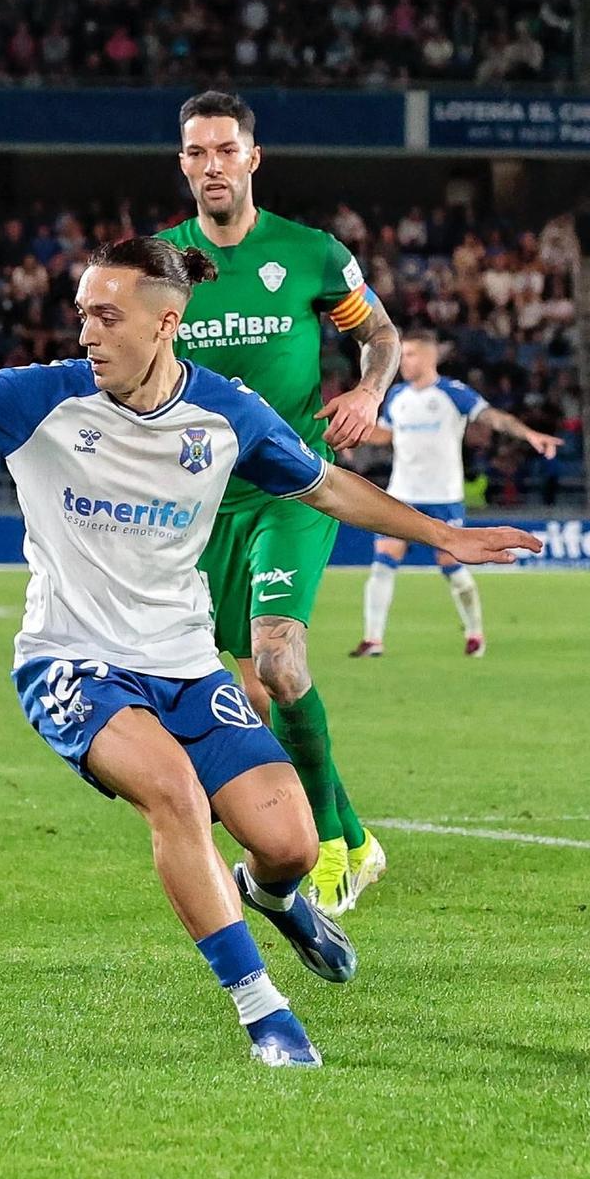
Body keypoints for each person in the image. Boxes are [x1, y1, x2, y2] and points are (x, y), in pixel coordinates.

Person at [0, 232, 535, 1068]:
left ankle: (272, 894)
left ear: (166, 323)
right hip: (70, 661)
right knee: (176, 793)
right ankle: (264, 1010)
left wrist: (445, 533)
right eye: (82, 315)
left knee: (290, 843)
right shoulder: (40, 397)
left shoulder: (226, 414)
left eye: (107, 316)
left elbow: (325, 484)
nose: (87, 334)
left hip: (183, 663)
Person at [158, 89, 402, 916]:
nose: (213, 165)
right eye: (197, 152)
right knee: (258, 692)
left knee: (278, 658)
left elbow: (380, 333)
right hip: (202, 501)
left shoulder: (309, 256)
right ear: (183, 163)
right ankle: (359, 837)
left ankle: (328, 850)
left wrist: (369, 391)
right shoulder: (162, 263)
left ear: (253, 158)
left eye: (226, 149)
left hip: (293, 483)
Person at [352, 331, 562, 659]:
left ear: (430, 357)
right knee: (383, 561)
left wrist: (528, 434)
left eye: (410, 355)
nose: (404, 361)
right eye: (402, 355)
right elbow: (387, 434)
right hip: (401, 493)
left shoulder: (453, 393)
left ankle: (475, 632)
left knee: (450, 563)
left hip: (442, 495)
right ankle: (373, 639)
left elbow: (493, 417)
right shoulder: (395, 396)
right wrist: (355, 434)